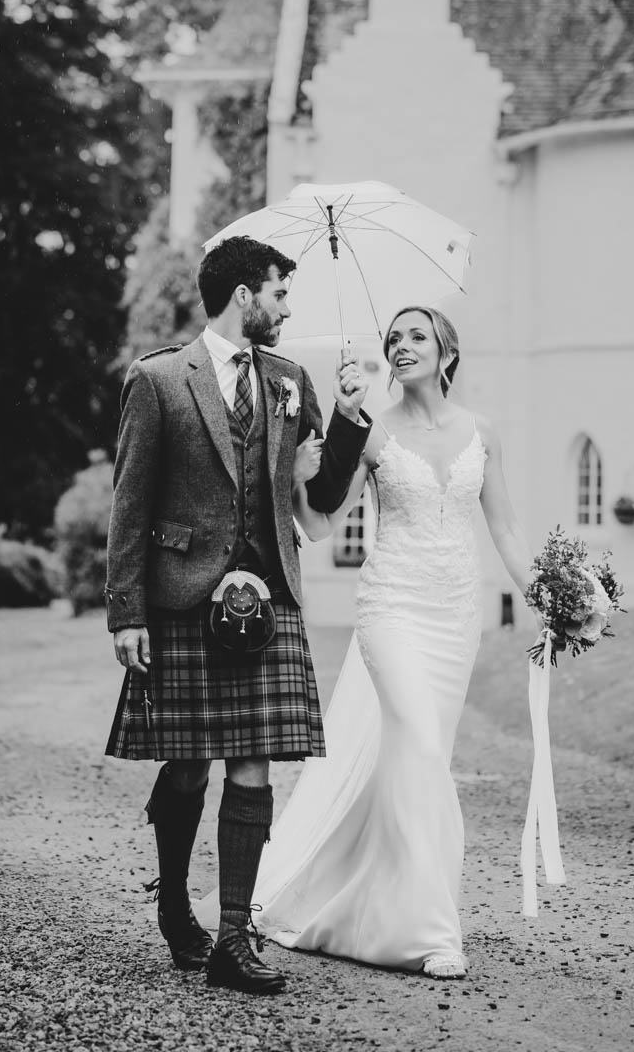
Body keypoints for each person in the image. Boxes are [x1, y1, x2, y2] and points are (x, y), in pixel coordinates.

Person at [104, 235, 370, 996]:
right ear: (244, 294)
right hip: (182, 595)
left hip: (269, 598)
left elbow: (316, 503)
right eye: (280, 292)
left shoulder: (290, 380)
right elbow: (131, 501)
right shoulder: (158, 379)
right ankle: (174, 908)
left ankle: (233, 936)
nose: (288, 307)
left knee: (252, 761)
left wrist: (348, 422)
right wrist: (127, 611)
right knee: (187, 762)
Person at [246, 305, 538, 979]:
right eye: (393, 339)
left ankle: (374, 896)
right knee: (424, 747)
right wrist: (298, 470)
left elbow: (508, 530)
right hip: (392, 611)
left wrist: (547, 596)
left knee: (413, 757)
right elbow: (319, 525)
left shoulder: (481, 432)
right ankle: (434, 930)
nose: (402, 346)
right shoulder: (370, 433)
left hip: (455, 616)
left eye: (416, 336)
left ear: (446, 352)